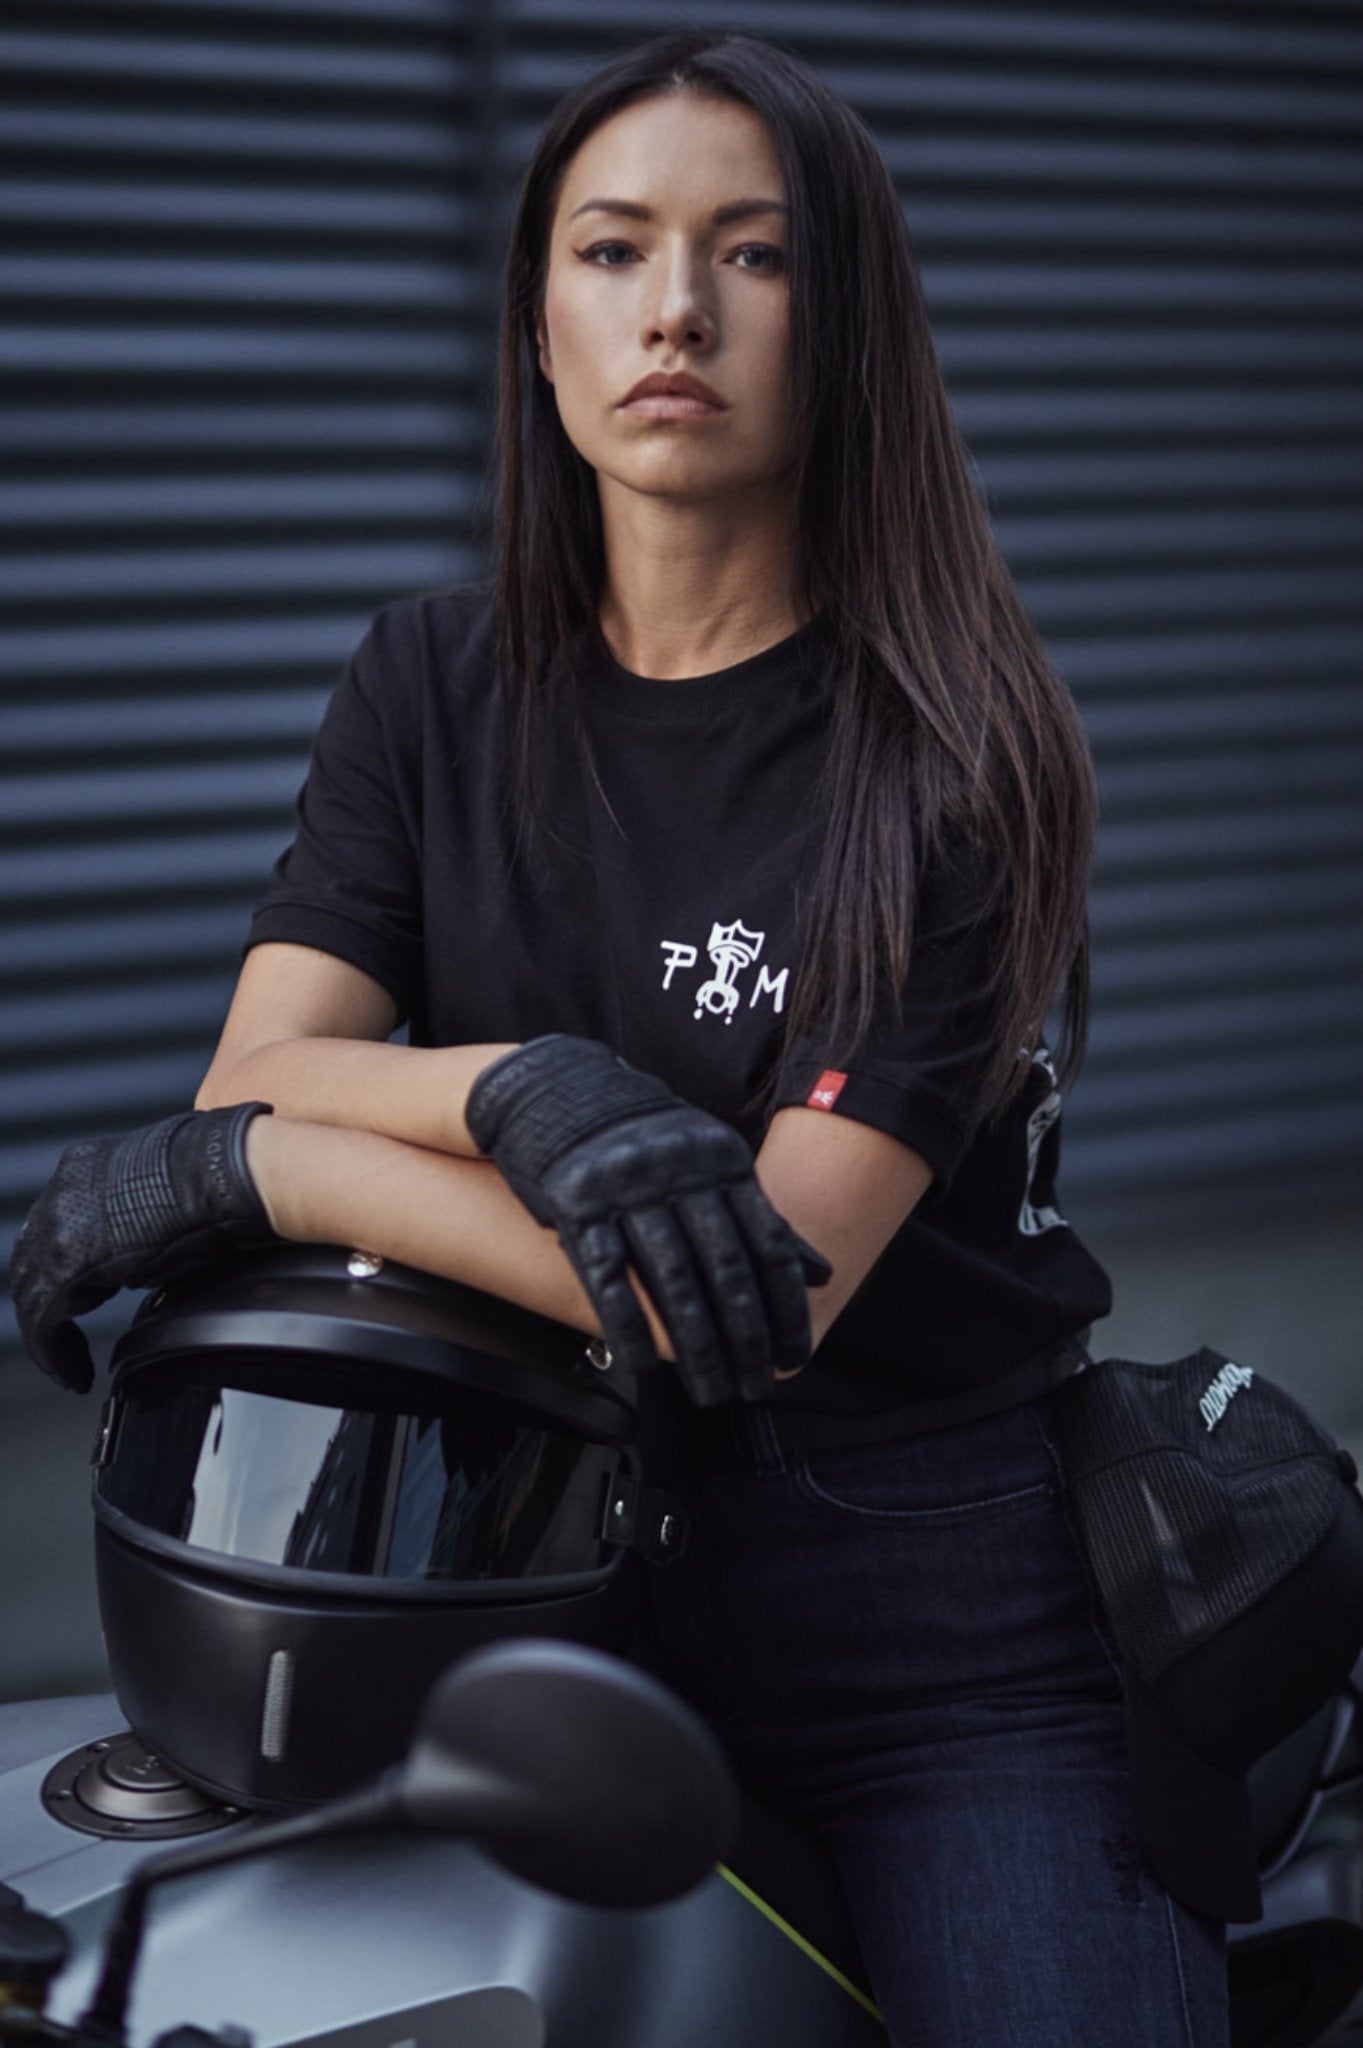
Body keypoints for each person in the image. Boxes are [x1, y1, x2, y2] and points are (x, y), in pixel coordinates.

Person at [9, 32, 1231, 2045]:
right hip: (493, 1550)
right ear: (540, 321)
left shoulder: (951, 756)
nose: (674, 309)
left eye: (752, 257)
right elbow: (259, 1069)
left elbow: (741, 1298)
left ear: (845, 332)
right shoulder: (428, 679)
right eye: (611, 248)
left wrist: (274, 1159)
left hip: (919, 1636)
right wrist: (516, 1087)